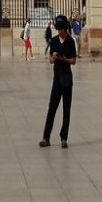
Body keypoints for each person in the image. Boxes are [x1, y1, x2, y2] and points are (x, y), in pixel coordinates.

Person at [39, 14, 76, 149]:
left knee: (66, 110)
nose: (60, 31)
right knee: (52, 108)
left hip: (67, 79)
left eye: (61, 29)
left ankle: (64, 138)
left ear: (65, 28)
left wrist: (64, 59)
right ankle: (46, 137)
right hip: (56, 80)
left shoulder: (71, 41)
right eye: (58, 29)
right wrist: (54, 58)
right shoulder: (54, 41)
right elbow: (49, 59)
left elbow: (74, 61)